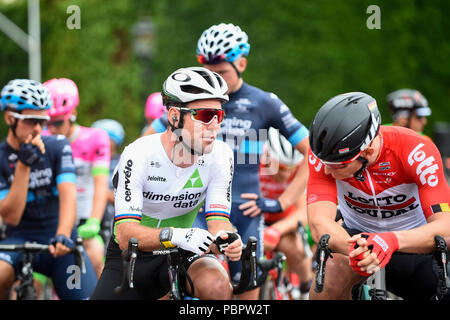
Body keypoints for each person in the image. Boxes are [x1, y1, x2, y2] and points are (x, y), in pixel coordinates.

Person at [142, 23, 310, 299]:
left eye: (221, 72)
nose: (214, 79)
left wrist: (282, 202)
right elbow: (145, 144)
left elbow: (312, 154)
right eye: (208, 72)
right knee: (197, 284)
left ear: (242, 63)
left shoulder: (264, 103)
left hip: (244, 213)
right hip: (195, 210)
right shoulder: (191, 101)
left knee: (245, 295)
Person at [90, 66, 242, 300]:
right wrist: (175, 235)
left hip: (184, 254)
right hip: (132, 257)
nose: (214, 125)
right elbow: (124, 233)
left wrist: (228, 238)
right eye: (203, 115)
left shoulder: (221, 155)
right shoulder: (138, 153)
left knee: (218, 287)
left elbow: (218, 220)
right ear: (173, 116)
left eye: (219, 115)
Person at [306, 91, 450, 300]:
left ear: (368, 151)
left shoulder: (416, 151)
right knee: (328, 282)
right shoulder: (325, 155)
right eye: (327, 164)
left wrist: (390, 240)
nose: (328, 171)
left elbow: (445, 226)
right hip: (356, 238)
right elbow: (320, 224)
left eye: (341, 165)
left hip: (415, 242)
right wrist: (354, 249)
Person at [0, 79, 97, 299]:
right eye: (32, 120)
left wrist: (63, 235)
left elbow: (68, 195)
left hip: (58, 240)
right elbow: (12, 217)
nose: (38, 129)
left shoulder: (57, 145)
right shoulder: (1, 157)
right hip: (18, 240)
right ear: (10, 118)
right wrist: (24, 165)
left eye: (42, 121)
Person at [43, 78, 110, 278]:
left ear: (73, 114)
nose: (52, 129)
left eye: (58, 122)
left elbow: (100, 185)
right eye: (47, 123)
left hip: (85, 219)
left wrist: (94, 221)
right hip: (53, 222)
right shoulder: (43, 140)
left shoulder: (96, 138)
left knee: (96, 257)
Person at [258, 127, 313, 300]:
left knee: (296, 248)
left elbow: (304, 212)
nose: (286, 173)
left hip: (283, 220)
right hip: (255, 219)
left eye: (291, 167)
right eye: (281, 167)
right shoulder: (254, 164)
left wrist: (276, 230)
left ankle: (306, 289)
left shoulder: (300, 169)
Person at [91, 118, 125, 249]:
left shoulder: (121, 161)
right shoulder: (89, 162)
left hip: (111, 218)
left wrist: (102, 194)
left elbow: (125, 193)